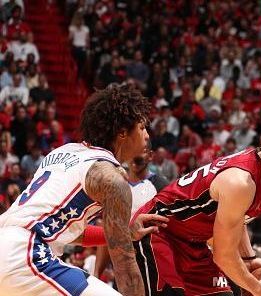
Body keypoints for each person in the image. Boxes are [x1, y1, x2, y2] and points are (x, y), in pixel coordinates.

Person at [0, 84, 165, 296]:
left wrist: (123, 233)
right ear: (122, 133)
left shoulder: (61, 152)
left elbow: (64, 229)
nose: (147, 136)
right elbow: (125, 268)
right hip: (25, 255)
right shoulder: (112, 178)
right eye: (142, 128)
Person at [134, 107, 261, 295]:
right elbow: (223, 255)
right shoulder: (240, 182)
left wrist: (249, 259)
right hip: (158, 232)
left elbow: (238, 217)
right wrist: (258, 288)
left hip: (195, 244)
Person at [94, 144, 169, 280]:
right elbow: (108, 232)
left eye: (140, 152)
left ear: (151, 156)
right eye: (131, 151)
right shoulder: (115, 188)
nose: (135, 157)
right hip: (123, 264)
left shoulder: (161, 185)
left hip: (155, 264)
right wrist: (97, 273)